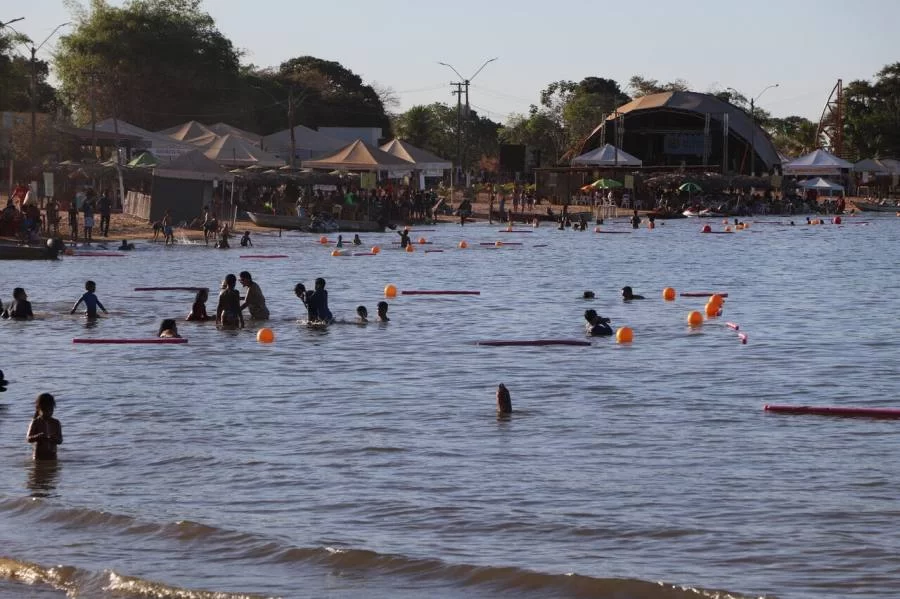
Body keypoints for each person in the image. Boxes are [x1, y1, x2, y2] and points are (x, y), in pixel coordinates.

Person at [27, 393, 62, 461]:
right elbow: (28, 439)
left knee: (53, 470)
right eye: (45, 410)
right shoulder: (35, 422)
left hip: (52, 457)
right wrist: (38, 436)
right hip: (38, 457)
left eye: (51, 410)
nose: (48, 412)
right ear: (38, 409)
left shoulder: (56, 423)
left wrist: (54, 438)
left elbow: (60, 440)